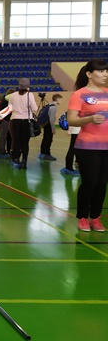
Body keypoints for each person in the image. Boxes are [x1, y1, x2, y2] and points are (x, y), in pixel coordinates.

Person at [66, 59, 108, 232]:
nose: (105, 74)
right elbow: (71, 120)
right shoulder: (79, 94)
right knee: (90, 182)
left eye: (106, 71)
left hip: (106, 146)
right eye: (101, 71)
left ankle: (95, 217)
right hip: (87, 146)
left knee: (102, 183)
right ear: (89, 74)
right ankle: (83, 217)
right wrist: (89, 119)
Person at [7, 78, 38, 170]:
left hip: (15, 120)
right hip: (26, 121)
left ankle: (15, 159)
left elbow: (10, 108)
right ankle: (24, 162)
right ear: (28, 86)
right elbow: (35, 108)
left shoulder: (13, 95)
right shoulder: (29, 95)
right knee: (25, 142)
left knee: (16, 141)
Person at [39, 93, 63, 161]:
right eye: (60, 100)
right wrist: (53, 128)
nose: (61, 101)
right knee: (48, 139)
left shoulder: (49, 105)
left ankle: (42, 152)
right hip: (49, 124)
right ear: (57, 99)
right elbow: (51, 119)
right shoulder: (53, 107)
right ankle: (47, 154)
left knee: (45, 138)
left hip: (45, 124)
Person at [0, 88, 14, 159]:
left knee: (4, 137)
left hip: (1, 120)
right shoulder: (7, 101)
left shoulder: (2, 100)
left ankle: (4, 151)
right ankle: (2, 152)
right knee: (3, 137)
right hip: (5, 120)